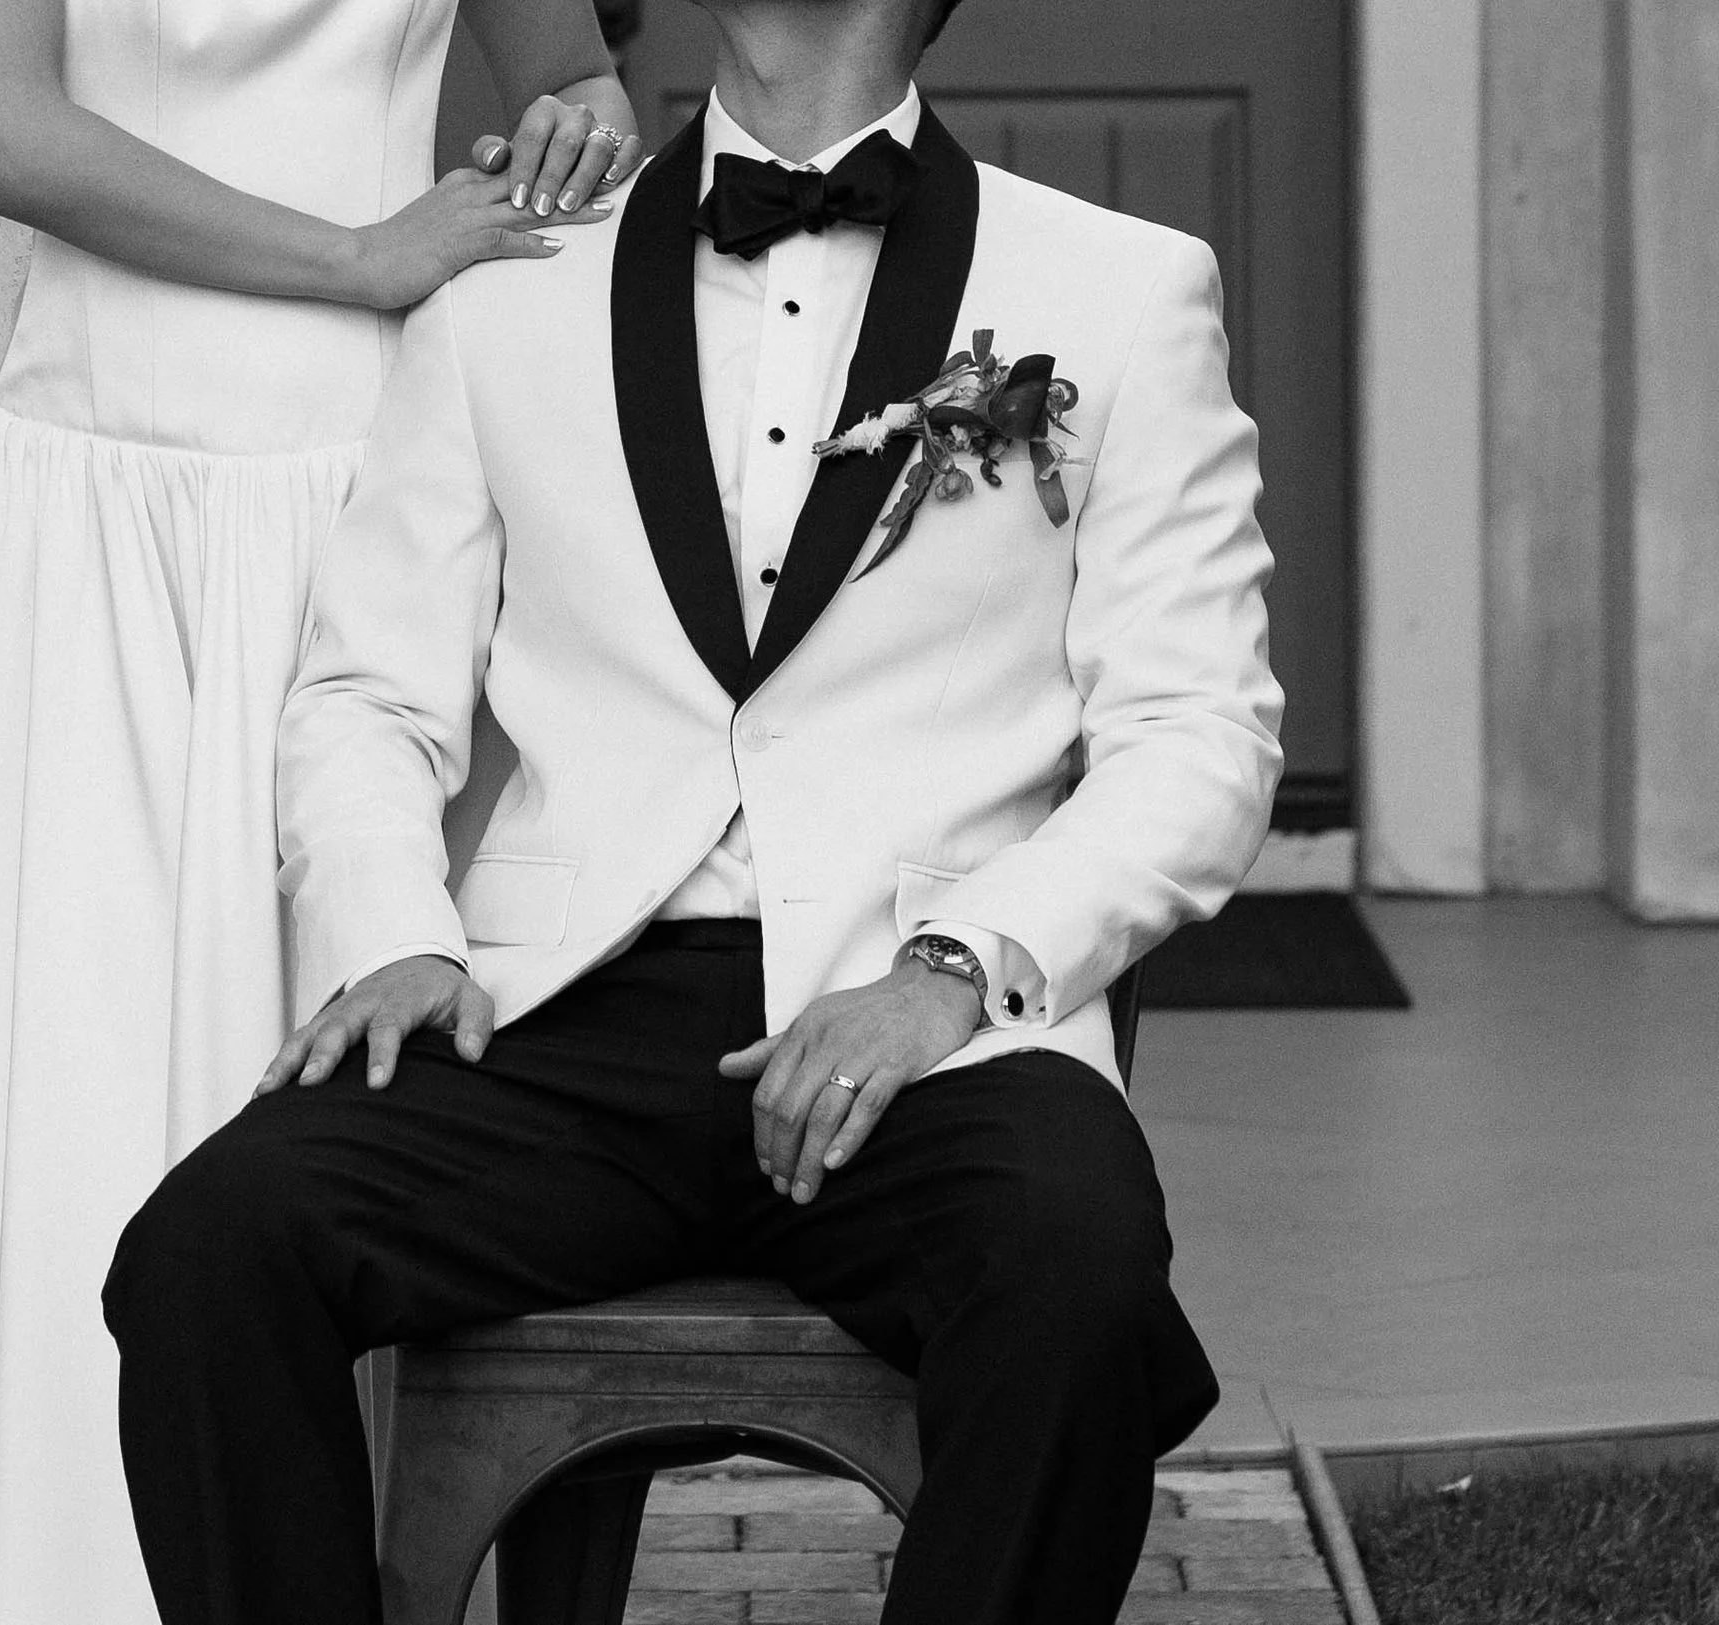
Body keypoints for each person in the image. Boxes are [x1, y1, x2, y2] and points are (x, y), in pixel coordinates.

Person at [103, 0, 1286, 1616]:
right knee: (209, 1251)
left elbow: (1201, 739)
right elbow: (369, 695)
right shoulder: (510, 292)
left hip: (923, 1018)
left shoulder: (1123, 291)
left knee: (1076, 1272)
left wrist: (950, 977)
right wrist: (392, 933)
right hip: (562, 1022)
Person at [0, 0, 641, 1620]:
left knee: (366, 1085)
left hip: (372, 503)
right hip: (89, 509)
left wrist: (571, 145)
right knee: (60, 1090)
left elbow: (576, 75)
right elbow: (3, 140)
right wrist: (362, 255)